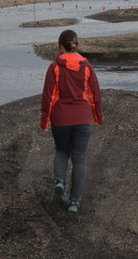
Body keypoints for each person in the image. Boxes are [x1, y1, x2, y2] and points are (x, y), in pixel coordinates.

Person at [40, 29, 104, 213]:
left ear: (60, 46)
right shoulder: (87, 66)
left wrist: (44, 119)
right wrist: (98, 116)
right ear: (77, 45)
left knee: (61, 150)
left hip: (60, 119)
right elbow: (94, 94)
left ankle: (60, 182)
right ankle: (74, 203)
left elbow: (48, 96)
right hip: (83, 119)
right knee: (79, 159)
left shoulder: (55, 67)